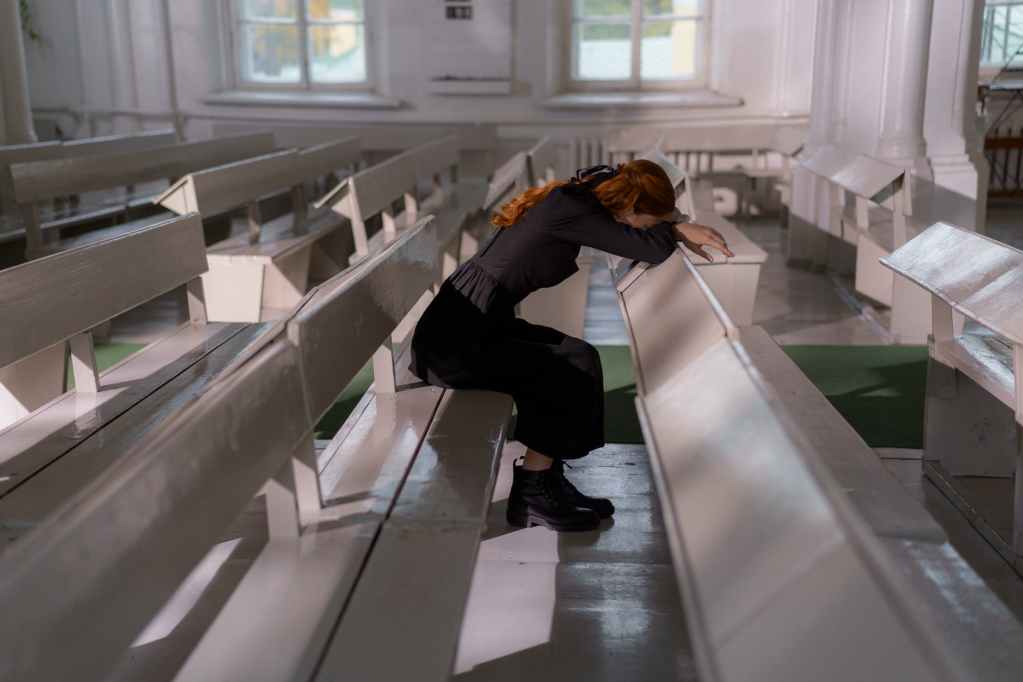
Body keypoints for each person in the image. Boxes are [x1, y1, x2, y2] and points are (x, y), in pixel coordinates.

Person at [409, 159, 733, 532]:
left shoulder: (579, 201)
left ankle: (546, 480)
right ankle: (533, 493)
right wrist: (675, 229)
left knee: (578, 357)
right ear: (633, 208)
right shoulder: (575, 209)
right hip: (455, 342)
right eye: (651, 219)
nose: (650, 227)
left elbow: (638, 237)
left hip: (474, 324)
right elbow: (651, 249)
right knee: (561, 369)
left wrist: (670, 223)